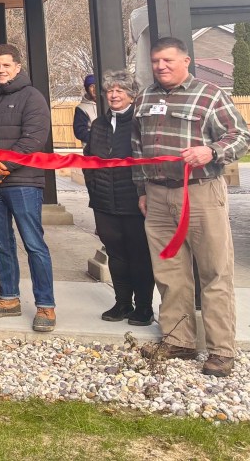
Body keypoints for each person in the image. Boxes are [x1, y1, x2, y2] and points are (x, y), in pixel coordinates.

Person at [134, 37, 250, 377]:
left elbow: (241, 135)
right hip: (157, 196)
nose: (161, 66)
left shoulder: (210, 95)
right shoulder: (145, 98)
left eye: (168, 60)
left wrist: (212, 151)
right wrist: (142, 190)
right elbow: (137, 147)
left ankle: (221, 351)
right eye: (156, 61)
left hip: (201, 194)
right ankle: (179, 340)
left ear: (186, 61)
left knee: (214, 272)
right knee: (169, 273)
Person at [0, 44, 56, 332]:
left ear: (18, 67)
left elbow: (34, 139)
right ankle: (8, 298)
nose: (1, 70)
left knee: (33, 243)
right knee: (1, 242)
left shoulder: (32, 97)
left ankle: (45, 305)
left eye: (6, 65)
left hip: (23, 182)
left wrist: (2, 165)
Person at [84, 70, 154, 327]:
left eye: (120, 90)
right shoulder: (99, 125)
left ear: (132, 96)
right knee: (115, 254)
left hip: (134, 201)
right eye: (110, 90)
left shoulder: (140, 123)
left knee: (139, 254)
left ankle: (144, 306)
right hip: (104, 201)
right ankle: (122, 302)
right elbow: (89, 159)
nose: (113, 95)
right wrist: (93, 187)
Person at [74, 74, 99, 152]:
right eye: (91, 86)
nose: (95, 89)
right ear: (87, 89)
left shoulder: (108, 104)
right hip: (91, 151)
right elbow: (80, 132)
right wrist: (99, 138)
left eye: (97, 86)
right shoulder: (82, 108)